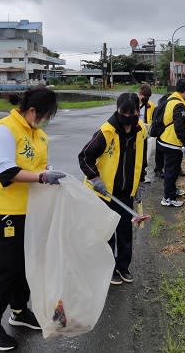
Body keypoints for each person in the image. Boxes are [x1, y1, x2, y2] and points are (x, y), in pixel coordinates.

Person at [0, 87, 67, 351]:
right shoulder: (3, 130)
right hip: (4, 211)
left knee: (26, 264)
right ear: (31, 111)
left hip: (31, 210)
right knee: (6, 269)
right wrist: (40, 177)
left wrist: (46, 172)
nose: (45, 121)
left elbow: (36, 167)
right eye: (45, 115)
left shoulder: (38, 135)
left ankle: (19, 311)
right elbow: (6, 171)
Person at [78, 93, 146, 286]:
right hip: (104, 193)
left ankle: (123, 267)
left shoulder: (140, 131)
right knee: (107, 232)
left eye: (132, 112)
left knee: (125, 231)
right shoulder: (106, 132)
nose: (128, 116)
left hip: (126, 193)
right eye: (124, 112)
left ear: (137, 112)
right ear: (118, 111)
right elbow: (84, 156)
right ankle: (108, 269)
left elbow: (142, 158)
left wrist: (140, 181)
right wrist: (94, 178)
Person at [157, 78, 185, 207]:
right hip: (172, 142)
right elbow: (179, 127)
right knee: (171, 171)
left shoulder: (171, 98)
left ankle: (172, 191)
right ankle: (168, 198)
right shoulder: (179, 104)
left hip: (166, 140)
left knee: (173, 169)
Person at [137, 83, 155, 183]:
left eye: (148, 97)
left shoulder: (151, 106)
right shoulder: (133, 103)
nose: (145, 98)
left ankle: (144, 175)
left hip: (145, 133)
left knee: (145, 155)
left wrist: (149, 126)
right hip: (134, 132)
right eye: (144, 96)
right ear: (139, 94)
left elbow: (152, 119)